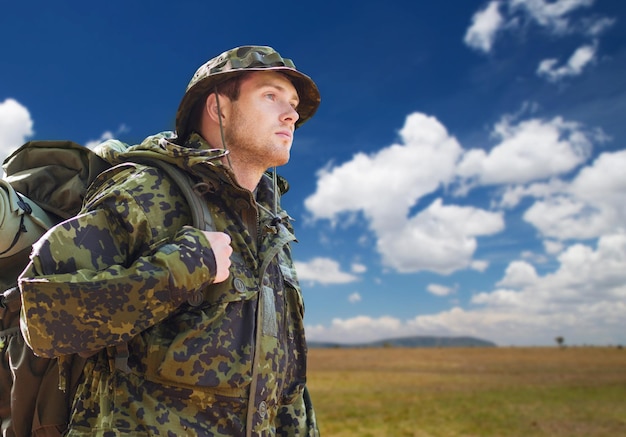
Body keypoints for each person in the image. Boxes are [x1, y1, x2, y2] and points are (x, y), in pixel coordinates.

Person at [18, 45, 321, 436]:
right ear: (218, 108)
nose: (291, 114)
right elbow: (44, 320)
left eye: (294, 104)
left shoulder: (270, 229)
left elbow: (284, 382)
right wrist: (180, 269)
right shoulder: (145, 195)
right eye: (270, 96)